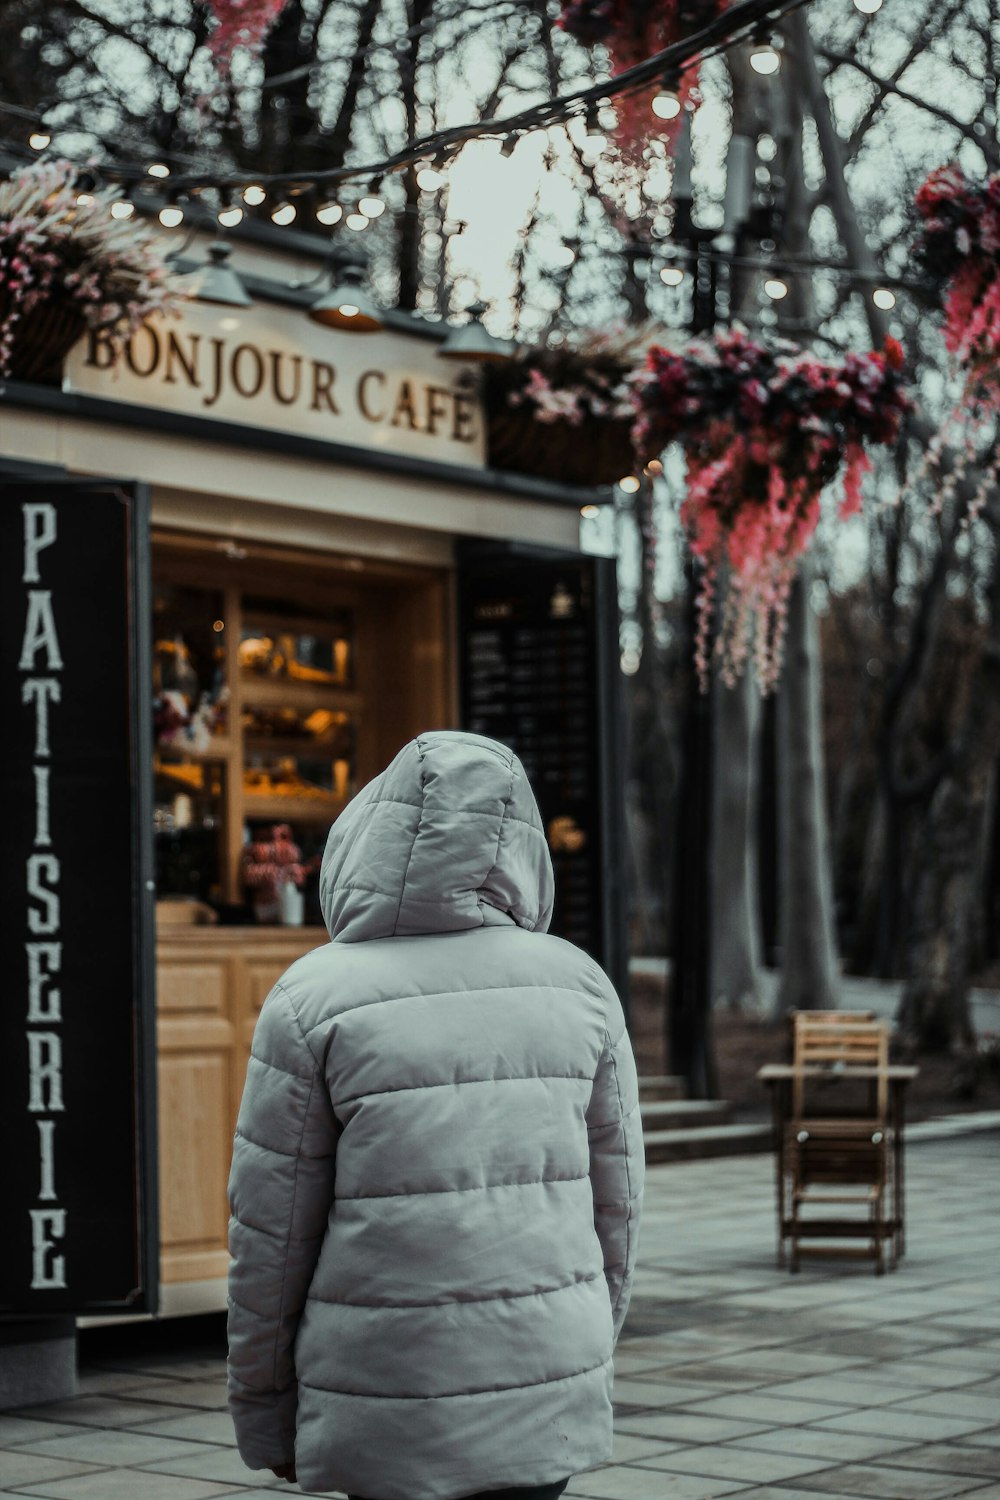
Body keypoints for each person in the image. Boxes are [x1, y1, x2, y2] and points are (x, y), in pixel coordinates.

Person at [227, 730, 644, 1499]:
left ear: (368, 835)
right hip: (545, 1364)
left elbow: (271, 1236)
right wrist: (587, 1349)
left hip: (386, 1382)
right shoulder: (581, 987)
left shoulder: (311, 998)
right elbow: (618, 1210)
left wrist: (264, 1410)